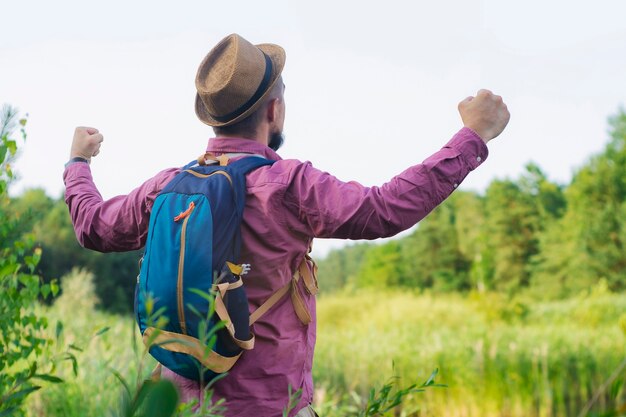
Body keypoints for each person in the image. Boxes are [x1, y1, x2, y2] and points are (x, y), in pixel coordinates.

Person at [64, 33, 510, 417]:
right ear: (274, 111)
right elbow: (385, 209)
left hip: (180, 405)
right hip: (268, 406)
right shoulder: (286, 184)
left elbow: (92, 226)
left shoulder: (168, 187)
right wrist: (472, 137)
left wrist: (78, 162)